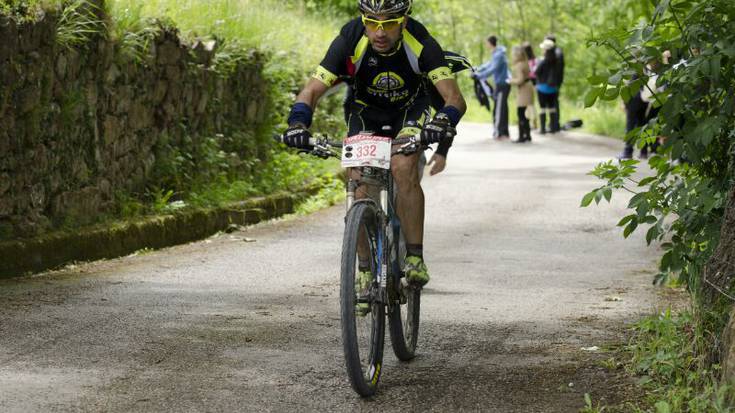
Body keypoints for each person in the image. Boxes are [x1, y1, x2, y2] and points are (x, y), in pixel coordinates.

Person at [281, 0, 467, 287]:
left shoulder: (421, 41)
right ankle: (365, 270)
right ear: (363, 21)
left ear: (403, 22)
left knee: (403, 167)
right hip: (365, 112)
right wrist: (297, 123)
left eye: (389, 23)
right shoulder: (350, 38)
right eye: (372, 22)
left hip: (409, 111)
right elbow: (311, 90)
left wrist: (442, 122)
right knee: (359, 180)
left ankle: (415, 257)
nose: (380, 32)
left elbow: (454, 98)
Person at [473, 35, 510, 140]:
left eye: (486, 43)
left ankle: (498, 132)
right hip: (501, 84)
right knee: (502, 108)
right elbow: (489, 64)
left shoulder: (498, 55)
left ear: (490, 43)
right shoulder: (497, 54)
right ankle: (504, 133)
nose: (486, 45)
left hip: (502, 85)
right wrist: (478, 69)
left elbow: (493, 69)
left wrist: (479, 75)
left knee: (498, 109)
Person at [535, 39, 561, 134]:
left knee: (542, 108)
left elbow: (536, 72)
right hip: (553, 88)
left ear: (545, 49)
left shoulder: (543, 60)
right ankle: (553, 128)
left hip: (542, 87)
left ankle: (542, 129)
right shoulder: (557, 61)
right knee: (552, 107)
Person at [509, 46, 533, 143]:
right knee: (524, 113)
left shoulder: (519, 65)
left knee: (520, 113)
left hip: (523, 89)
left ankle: (521, 137)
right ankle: (527, 135)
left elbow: (520, 80)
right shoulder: (525, 63)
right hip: (528, 87)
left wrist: (510, 81)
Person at [545, 34, 564, 132]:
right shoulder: (555, 52)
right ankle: (553, 123)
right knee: (552, 103)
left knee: (553, 103)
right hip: (553, 81)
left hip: (554, 82)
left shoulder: (557, 52)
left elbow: (556, 69)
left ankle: (554, 124)